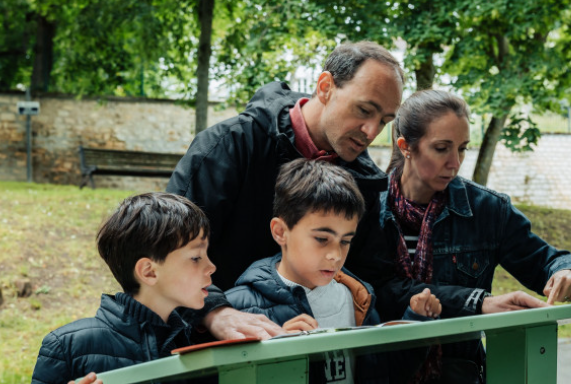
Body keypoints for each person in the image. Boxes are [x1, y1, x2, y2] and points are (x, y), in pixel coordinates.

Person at [168, 40, 533, 334]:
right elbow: (164, 247)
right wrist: (215, 314)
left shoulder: (365, 182)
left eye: (385, 120)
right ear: (325, 87)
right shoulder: (229, 147)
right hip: (210, 346)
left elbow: (379, 284)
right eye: (364, 110)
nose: (372, 132)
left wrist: (476, 302)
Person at [377, 89, 571, 384]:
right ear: (404, 146)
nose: (455, 162)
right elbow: (381, 290)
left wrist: (569, 271)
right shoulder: (365, 206)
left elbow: (550, 259)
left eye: (462, 148)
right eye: (442, 148)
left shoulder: (487, 209)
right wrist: (478, 302)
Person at [214, 158, 442, 384]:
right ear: (281, 231)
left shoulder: (359, 298)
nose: (335, 254)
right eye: (322, 238)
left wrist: (416, 323)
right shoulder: (243, 309)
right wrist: (277, 357)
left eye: (345, 240)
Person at [16, 193, 235, 384]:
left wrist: (269, 352)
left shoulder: (190, 341)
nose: (211, 266)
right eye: (196, 257)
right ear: (149, 271)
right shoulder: (69, 345)